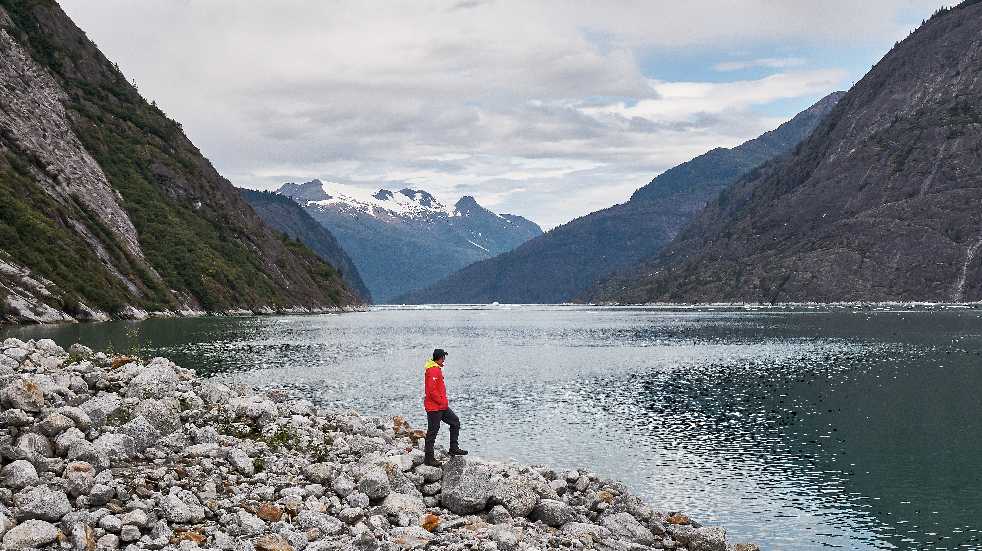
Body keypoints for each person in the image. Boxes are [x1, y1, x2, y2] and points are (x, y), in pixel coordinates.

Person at [423, 348, 467, 466]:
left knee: (455, 422)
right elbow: (431, 391)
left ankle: (454, 448)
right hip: (434, 407)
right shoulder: (433, 371)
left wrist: (442, 403)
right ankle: (428, 458)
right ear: (440, 358)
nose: (444, 361)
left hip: (441, 406)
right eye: (443, 358)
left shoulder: (436, 369)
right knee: (432, 431)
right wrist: (441, 401)